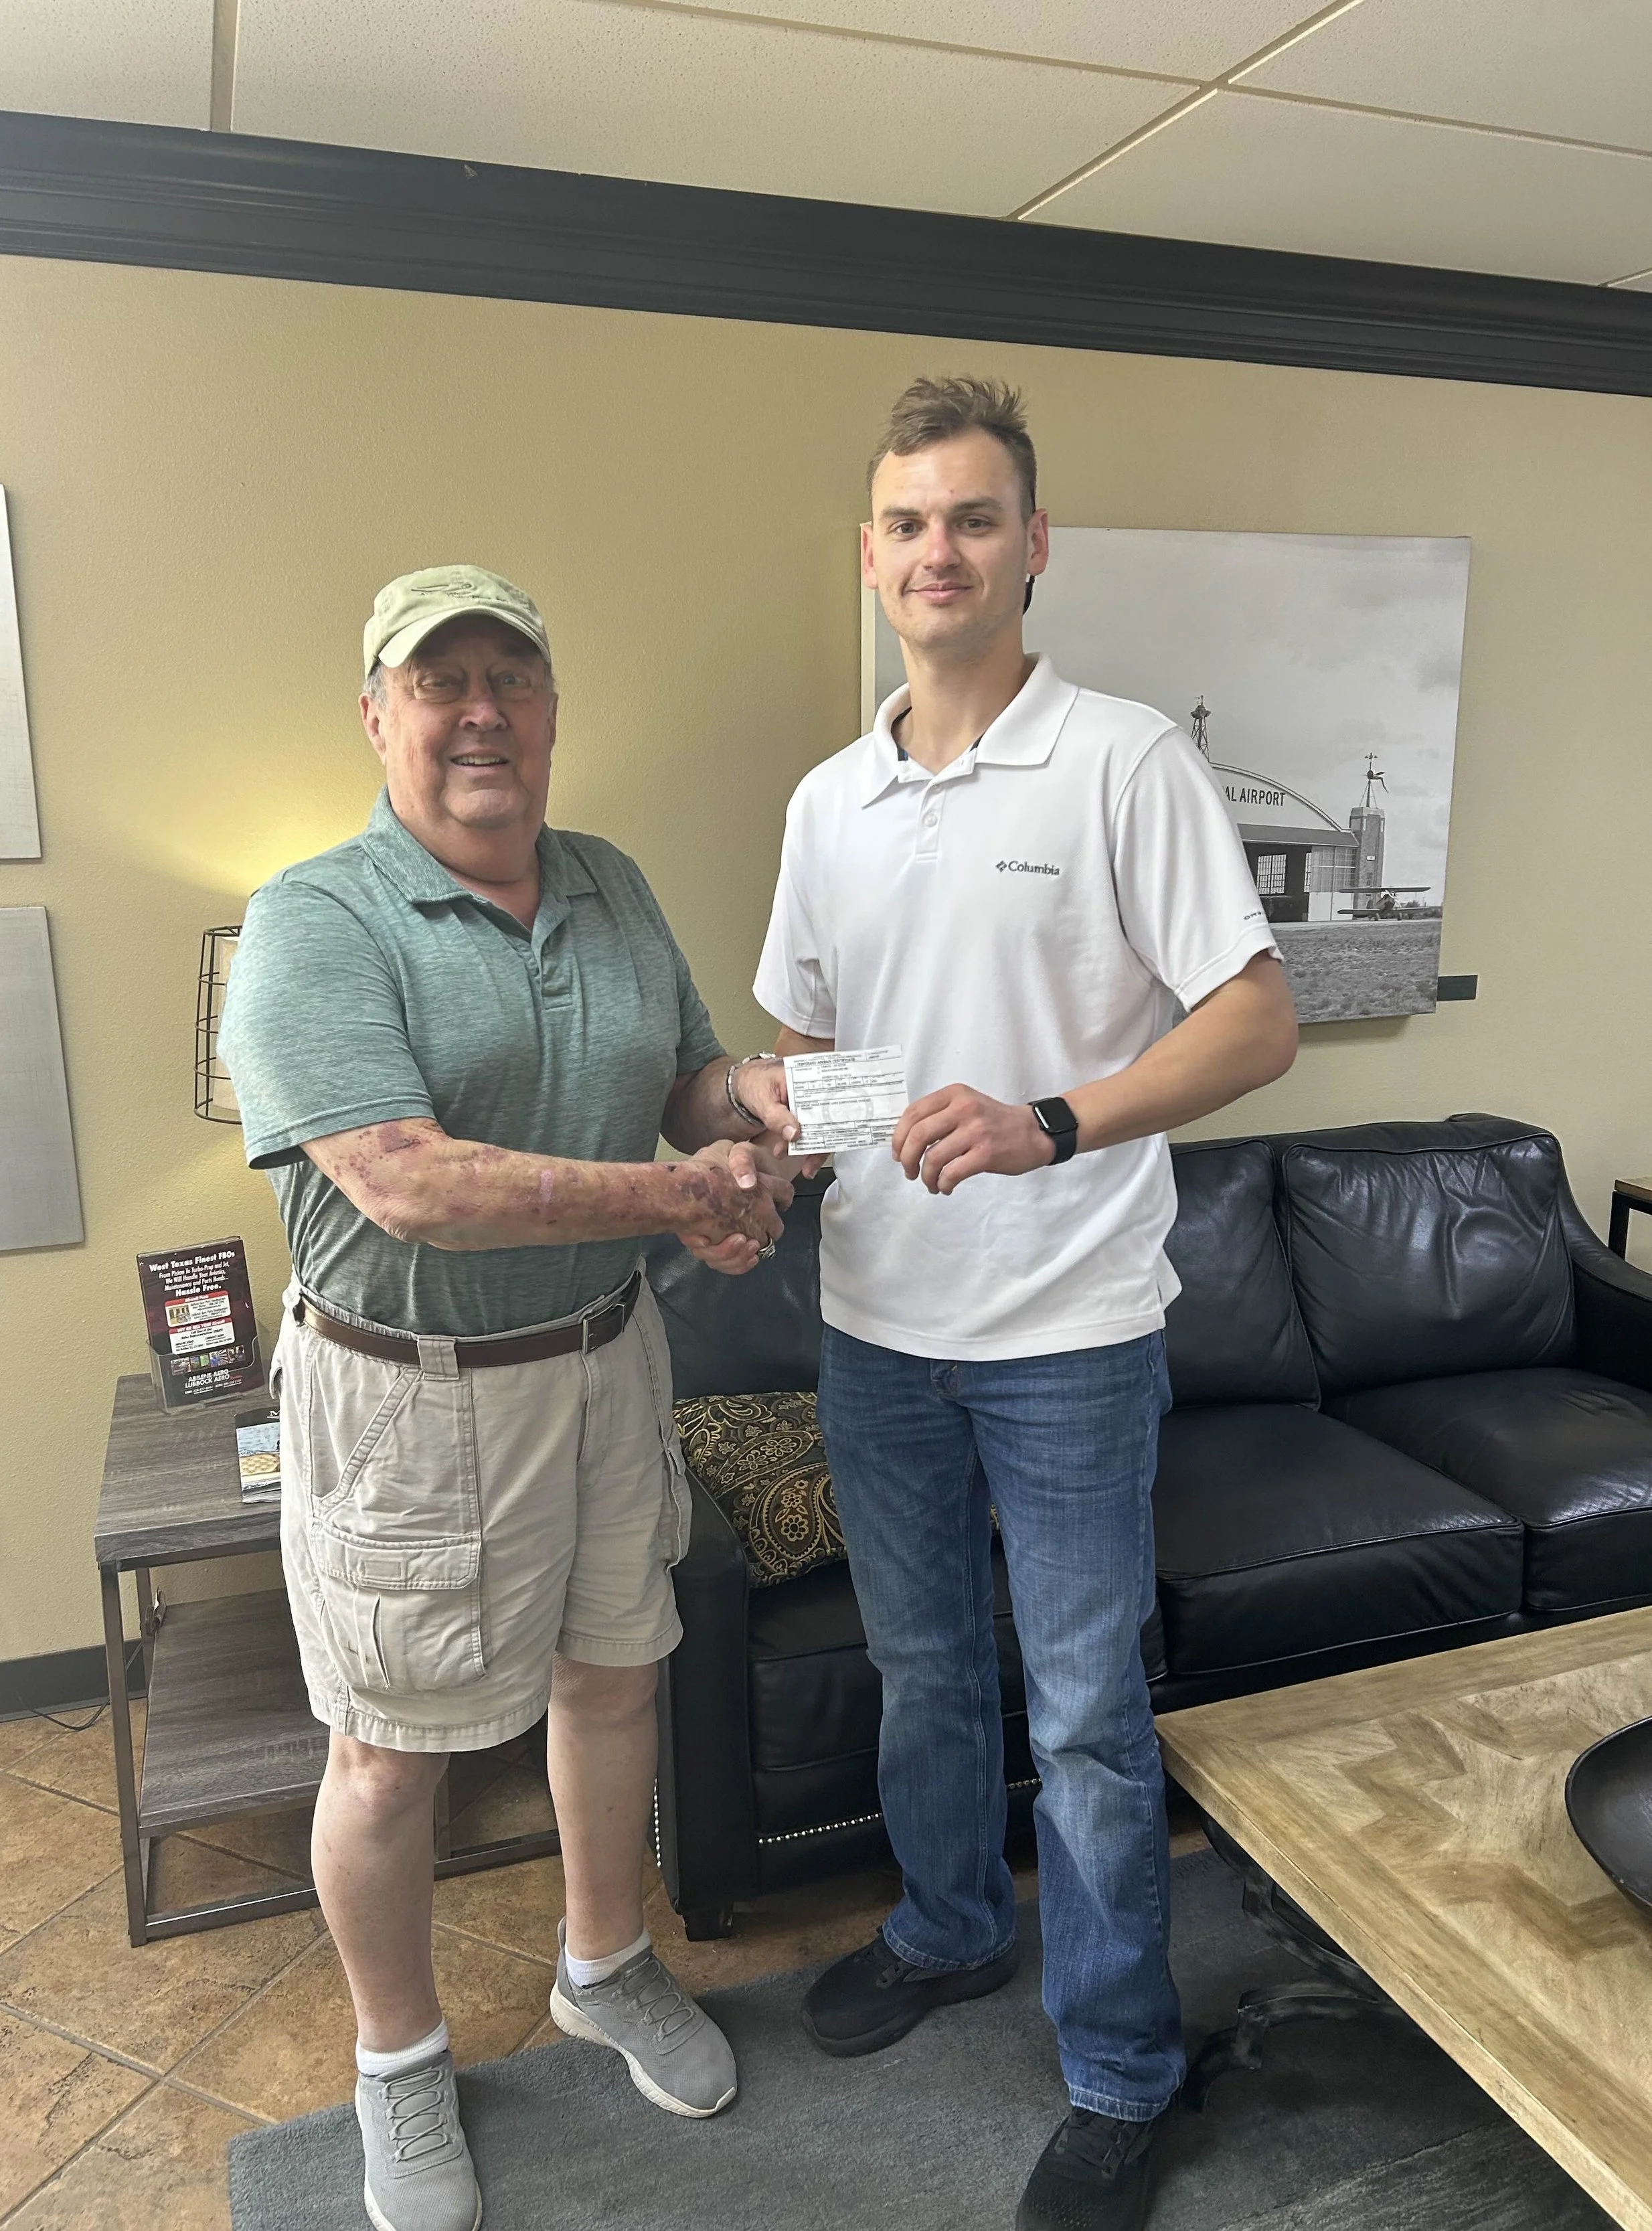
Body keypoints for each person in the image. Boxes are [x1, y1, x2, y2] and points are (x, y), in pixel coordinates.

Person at [753, 381, 1298, 2231]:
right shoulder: (828, 799)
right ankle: (944, 1926)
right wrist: (776, 1153)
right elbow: (818, 1041)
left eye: (972, 519)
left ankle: (1125, 2064)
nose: (936, 552)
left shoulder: (1121, 761)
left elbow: (1253, 1014)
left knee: (1079, 1708)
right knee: (923, 1670)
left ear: (1030, 545)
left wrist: (1054, 1118)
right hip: (873, 1326)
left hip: (1068, 1336)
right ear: (871, 556)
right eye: (907, 523)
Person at [219, 565, 800, 2231]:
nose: (481, 709)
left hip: (606, 1356)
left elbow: (682, 1072)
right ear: (379, 714)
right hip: (409, 1391)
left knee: (615, 1682)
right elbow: (406, 1183)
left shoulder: (608, 882)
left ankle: (601, 1967)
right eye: (440, 679)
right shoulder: (313, 917)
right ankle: (398, 2060)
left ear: (548, 709)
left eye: (512, 678)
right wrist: (682, 1194)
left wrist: (743, 1102)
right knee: (390, 1754)